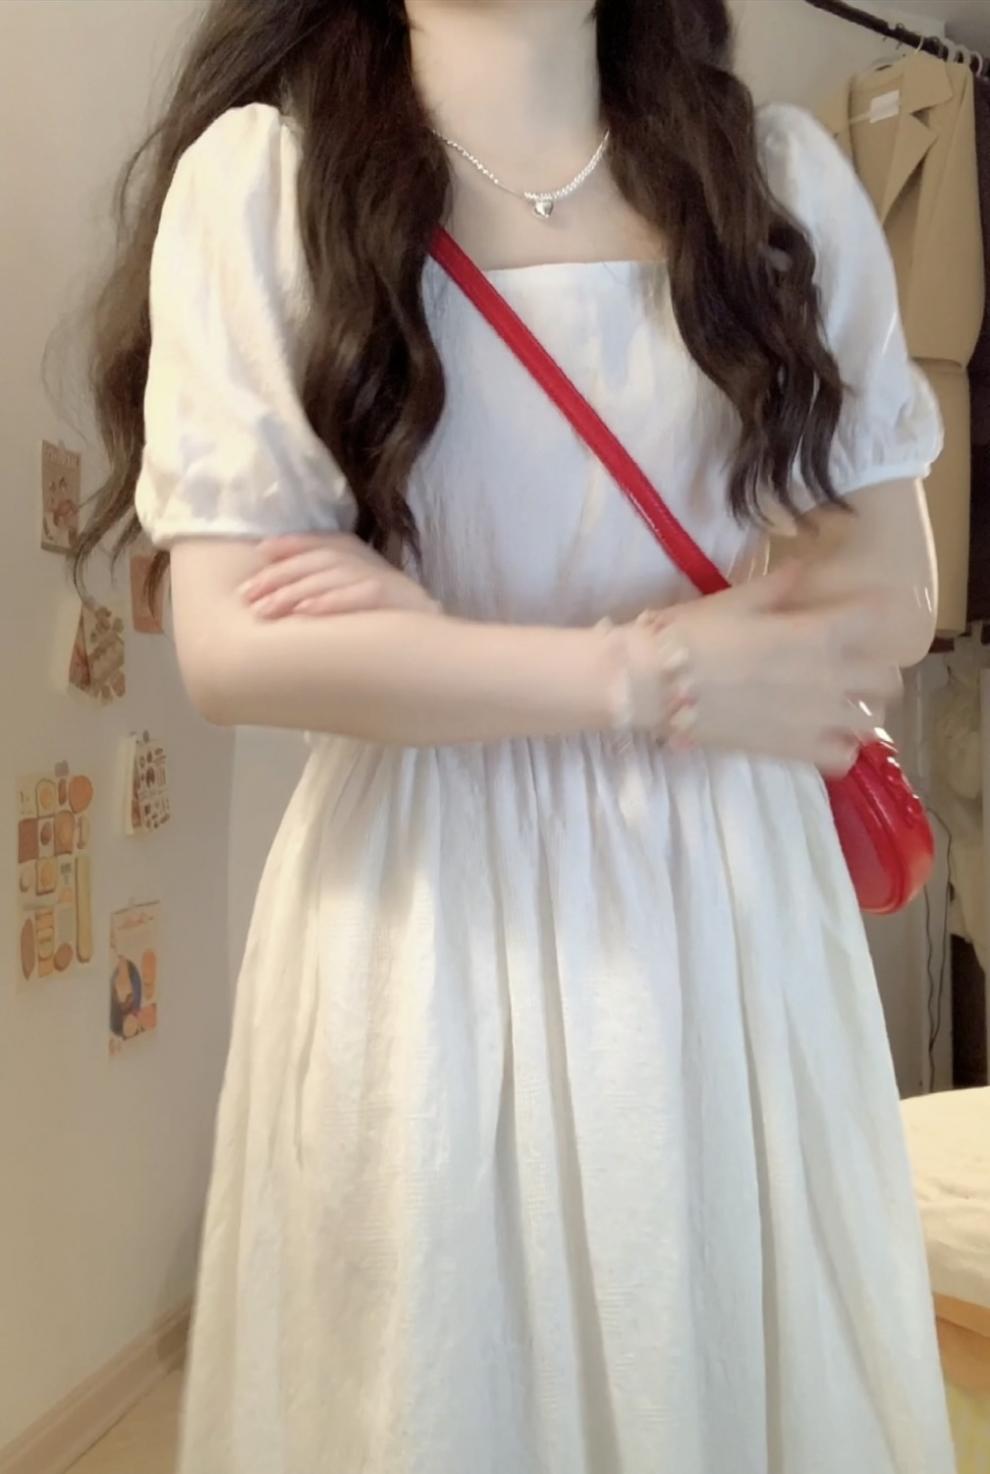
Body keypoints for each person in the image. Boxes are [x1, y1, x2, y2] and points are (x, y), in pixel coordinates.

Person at [77, 1, 955, 1470]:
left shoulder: (777, 186)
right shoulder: (267, 189)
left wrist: (423, 644)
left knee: (723, 1354)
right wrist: (652, 671)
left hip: (722, 915)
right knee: (438, 1378)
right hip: (425, 923)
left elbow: (887, 598)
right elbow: (236, 644)